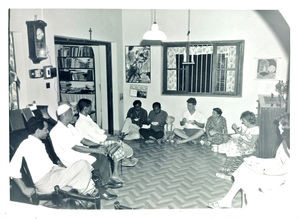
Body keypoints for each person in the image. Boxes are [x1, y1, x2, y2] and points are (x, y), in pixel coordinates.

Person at [208, 114, 290, 208]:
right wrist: (256, 160)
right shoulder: (285, 141)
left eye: (281, 126)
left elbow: (285, 170)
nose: (278, 128)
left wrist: (262, 171)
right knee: (245, 166)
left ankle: (229, 197)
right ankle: (227, 200)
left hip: (283, 179)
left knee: (246, 175)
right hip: (277, 170)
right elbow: (277, 161)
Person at [10, 117, 96, 197]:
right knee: (83, 164)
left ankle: (84, 193)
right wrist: (24, 189)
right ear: (37, 130)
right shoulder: (26, 144)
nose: (48, 132)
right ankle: (86, 194)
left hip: (54, 174)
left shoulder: (38, 142)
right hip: (46, 182)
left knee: (81, 168)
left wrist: (58, 166)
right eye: (45, 129)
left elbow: (45, 164)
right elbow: (12, 168)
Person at [50, 103, 121, 200]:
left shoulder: (70, 127)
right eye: (71, 113)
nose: (74, 114)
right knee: (97, 161)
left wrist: (99, 146)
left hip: (81, 152)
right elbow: (75, 147)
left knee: (103, 155)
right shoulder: (57, 131)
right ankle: (100, 190)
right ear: (64, 115)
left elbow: (82, 140)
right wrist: (96, 150)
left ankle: (106, 182)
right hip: (71, 157)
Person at [75, 98, 138, 169]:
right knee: (117, 142)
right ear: (85, 108)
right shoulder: (81, 122)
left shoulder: (87, 118)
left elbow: (98, 130)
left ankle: (126, 158)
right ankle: (124, 160)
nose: (91, 108)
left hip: (99, 138)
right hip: (94, 143)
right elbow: (95, 136)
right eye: (90, 107)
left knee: (118, 140)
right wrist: (111, 138)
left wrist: (110, 135)